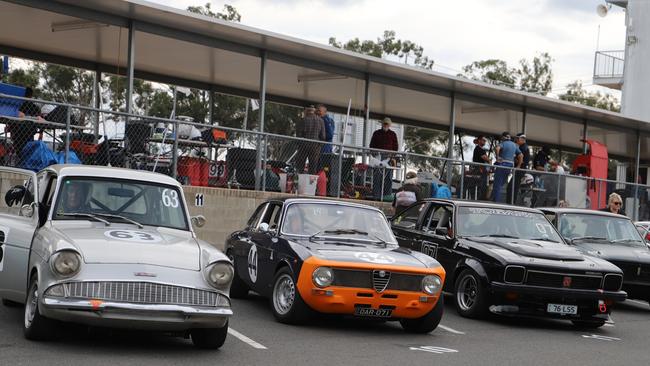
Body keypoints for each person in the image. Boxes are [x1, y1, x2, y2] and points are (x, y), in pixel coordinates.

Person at [370, 117, 399, 200]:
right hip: (378, 157)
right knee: (377, 177)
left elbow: (395, 147)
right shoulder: (376, 133)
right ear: (382, 124)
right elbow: (371, 146)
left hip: (389, 158)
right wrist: (375, 156)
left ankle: (387, 196)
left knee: (388, 177)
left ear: (389, 125)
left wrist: (392, 156)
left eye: (387, 124)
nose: (385, 125)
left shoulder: (393, 134)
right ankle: (376, 196)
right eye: (384, 123)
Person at [492, 132, 522, 203]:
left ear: (503, 137)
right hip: (510, 166)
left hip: (503, 164)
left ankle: (495, 201)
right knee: (502, 183)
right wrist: (518, 166)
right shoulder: (514, 145)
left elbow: (497, 148)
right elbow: (521, 155)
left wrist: (497, 157)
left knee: (497, 184)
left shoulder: (503, 143)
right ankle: (495, 199)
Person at [296, 105, 326, 175]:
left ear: (306, 111)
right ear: (314, 111)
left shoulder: (303, 120)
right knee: (313, 167)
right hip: (315, 147)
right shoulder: (321, 121)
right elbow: (323, 137)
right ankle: (311, 184)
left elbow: (298, 135)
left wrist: (300, 144)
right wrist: (319, 146)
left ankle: (299, 181)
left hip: (303, 146)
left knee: (300, 166)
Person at [509, 133, 530, 204]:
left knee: (512, 187)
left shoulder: (523, 148)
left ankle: (511, 203)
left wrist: (516, 164)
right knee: (513, 187)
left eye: (517, 139)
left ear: (522, 139)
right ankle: (511, 202)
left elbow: (520, 159)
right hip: (520, 169)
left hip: (519, 170)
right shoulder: (523, 147)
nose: (516, 141)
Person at [468, 135, 490, 200]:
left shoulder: (480, 149)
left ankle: (480, 198)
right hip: (479, 169)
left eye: (485, 141)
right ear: (479, 140)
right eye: (483, 140)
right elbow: (485, 158)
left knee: (482, 184)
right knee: (480, 184)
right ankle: (478, 198)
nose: (484, 142)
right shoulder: (478, 148)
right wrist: (489, 160)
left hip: (481, 169)